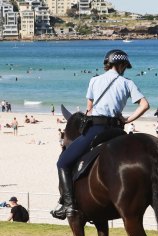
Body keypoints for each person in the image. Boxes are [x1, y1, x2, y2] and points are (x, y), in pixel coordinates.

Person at [51, 49, 150, 220]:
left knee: (63, 162)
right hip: (118, 130)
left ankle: (69, 205)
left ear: (108, 64)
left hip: (96, 128)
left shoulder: (94, 80)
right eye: (125, 66)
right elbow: (145, 105)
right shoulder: (128, 83)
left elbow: (88, 109)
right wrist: (127, 119)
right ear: (121, 65)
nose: (125, 69)